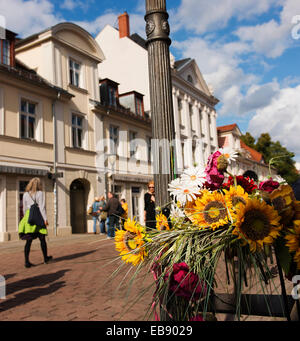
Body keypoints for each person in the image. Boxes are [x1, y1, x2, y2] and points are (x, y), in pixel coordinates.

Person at [18, 177, 52, 268]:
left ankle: (26, 262)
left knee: (28, 241)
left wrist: (27, 218)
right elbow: (42, 207)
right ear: (39, 185)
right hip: (38, 216)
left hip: (29, 217)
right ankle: (45, 258)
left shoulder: (25, 194)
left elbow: (24, 208)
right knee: (42, 239)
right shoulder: (40, 193)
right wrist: (45, 219)